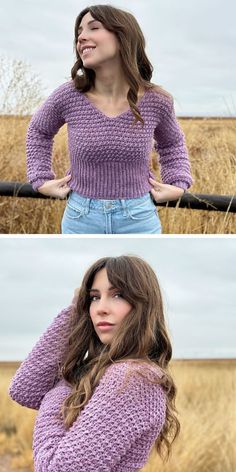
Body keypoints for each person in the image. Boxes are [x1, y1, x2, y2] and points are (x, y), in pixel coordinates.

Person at [26, 4, 193, 234]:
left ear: (123, 35)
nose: (82, 37)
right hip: (80, 217)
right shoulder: (68, 95)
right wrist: (41, 179)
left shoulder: (157, 100)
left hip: (139, 217)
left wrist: (178, 183)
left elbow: (172, 143)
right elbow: (38, 132)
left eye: (93, 28)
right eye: (79, 33)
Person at [9, 255, 180, 472]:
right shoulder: (109, 370)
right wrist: (74, 313)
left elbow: (55, 468)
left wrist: (63, 385)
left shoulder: (133, 377)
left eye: (118, 295)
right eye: (93, 298)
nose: (101, 308)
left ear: (143, 305)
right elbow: (24, 390)